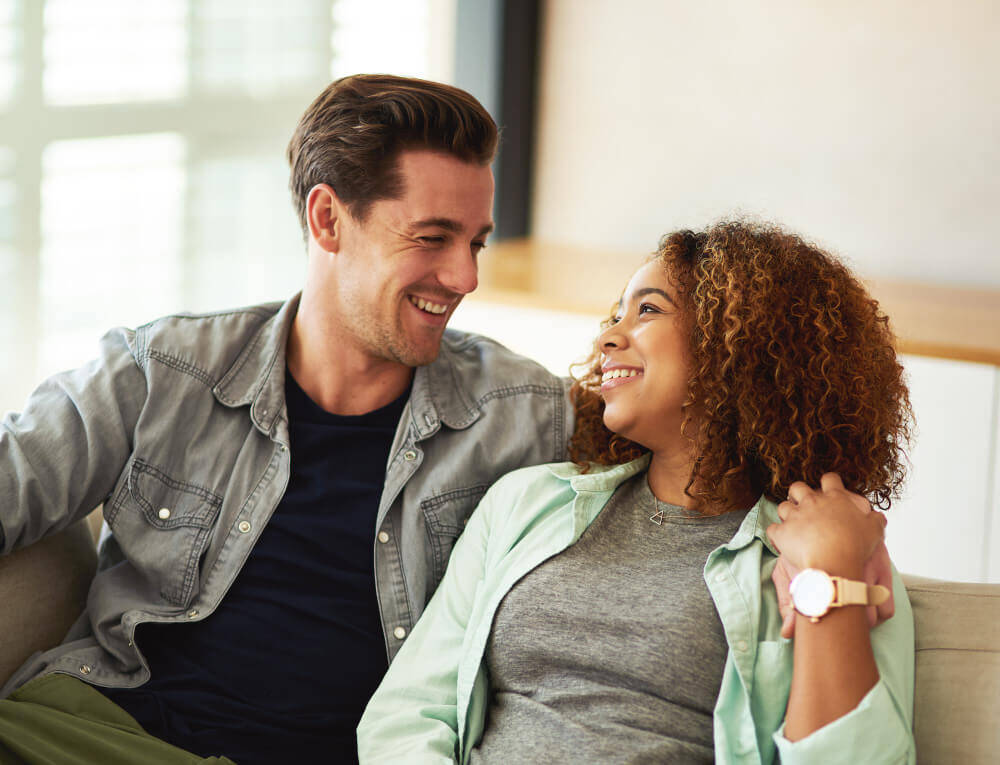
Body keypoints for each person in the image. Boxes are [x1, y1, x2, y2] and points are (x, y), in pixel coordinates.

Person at [0, 75, 573, 764]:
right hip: (101, 735)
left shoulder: (524, 416)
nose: (465, 277)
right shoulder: (160, 371)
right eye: (432, 237)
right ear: (327, 218)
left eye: (476, 242)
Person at [358, 220, 916, 763]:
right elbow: (409, 713)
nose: (607, 337)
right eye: (614, 315)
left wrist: (831, 576)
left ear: (738, 341)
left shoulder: (826, 554)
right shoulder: (526, 503)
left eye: (647, 310)